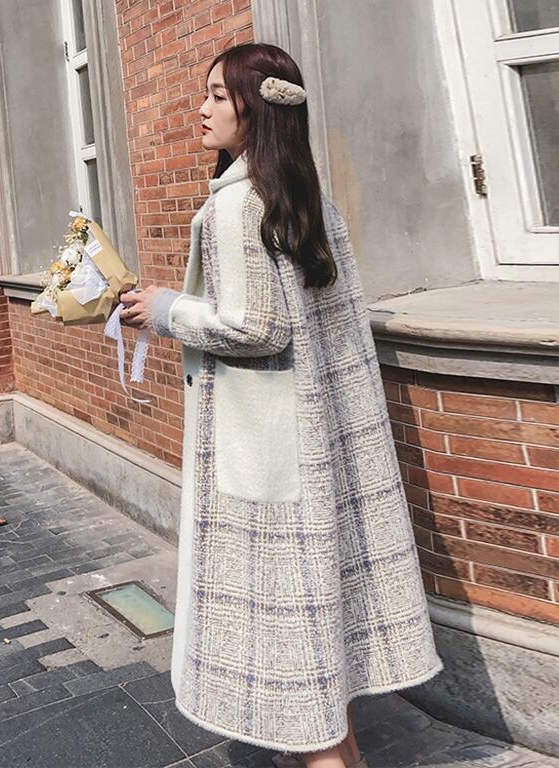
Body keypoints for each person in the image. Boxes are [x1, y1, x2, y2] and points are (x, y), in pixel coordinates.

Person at [119, 42, 443, 768]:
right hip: (318, 438)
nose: (201, 109)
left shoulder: (237, 205)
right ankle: (343, 754)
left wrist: (166, 309)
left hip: (264, 449)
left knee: (288, 635)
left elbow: (257, 329)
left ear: (257, 107)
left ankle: (326, 758)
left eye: (216, 95)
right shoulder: (304, 194)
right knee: (316, 631)